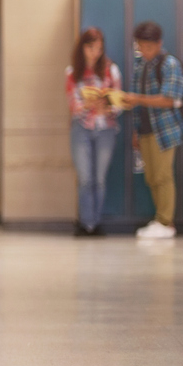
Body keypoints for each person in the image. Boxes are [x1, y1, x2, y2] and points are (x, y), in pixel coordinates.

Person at [119, 21, 183, 240]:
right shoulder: (140, 65)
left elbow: (169, 100)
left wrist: (137, 99)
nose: (144, 51)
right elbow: (137, 105)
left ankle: (166, 221)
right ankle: (160, 220)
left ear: (159, 44)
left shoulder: (170, 64)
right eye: (140, 47)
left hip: (164, 130)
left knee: (163, 176)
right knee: (151, 177)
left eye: (148, 47)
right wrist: (136, 131)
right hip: (145, 130)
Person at [65, 27, 122, 237]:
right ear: (82, 48)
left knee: (99, 179)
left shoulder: (111, 70)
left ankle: (95, 223)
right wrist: (89, 105)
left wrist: (107, 108)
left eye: (99, 48)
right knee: (85, 178)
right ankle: (85, 223)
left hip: (105, 128)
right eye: (90, 48)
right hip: (81, 129)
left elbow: (118, 102)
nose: (95, 53)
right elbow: (74, 104)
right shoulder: (73, 72)